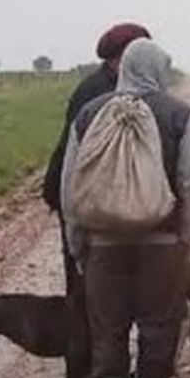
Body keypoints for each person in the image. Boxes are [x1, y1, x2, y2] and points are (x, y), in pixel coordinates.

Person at [59, 39, 190, 378]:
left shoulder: (90, 115)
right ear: (158, 70)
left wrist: (77, 244)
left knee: (108, 330)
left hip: (104, 247)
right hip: (162, 245)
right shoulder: (180, 115)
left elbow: (72, 188)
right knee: (159, 328)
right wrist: (188, 240)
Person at [43, 23, 153, 299]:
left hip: (93, 191)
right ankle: (81, 336)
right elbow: (78, 155)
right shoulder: (96, 93)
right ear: (121, 58)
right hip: (82, 193)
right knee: (84, 276)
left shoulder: (111, 85)